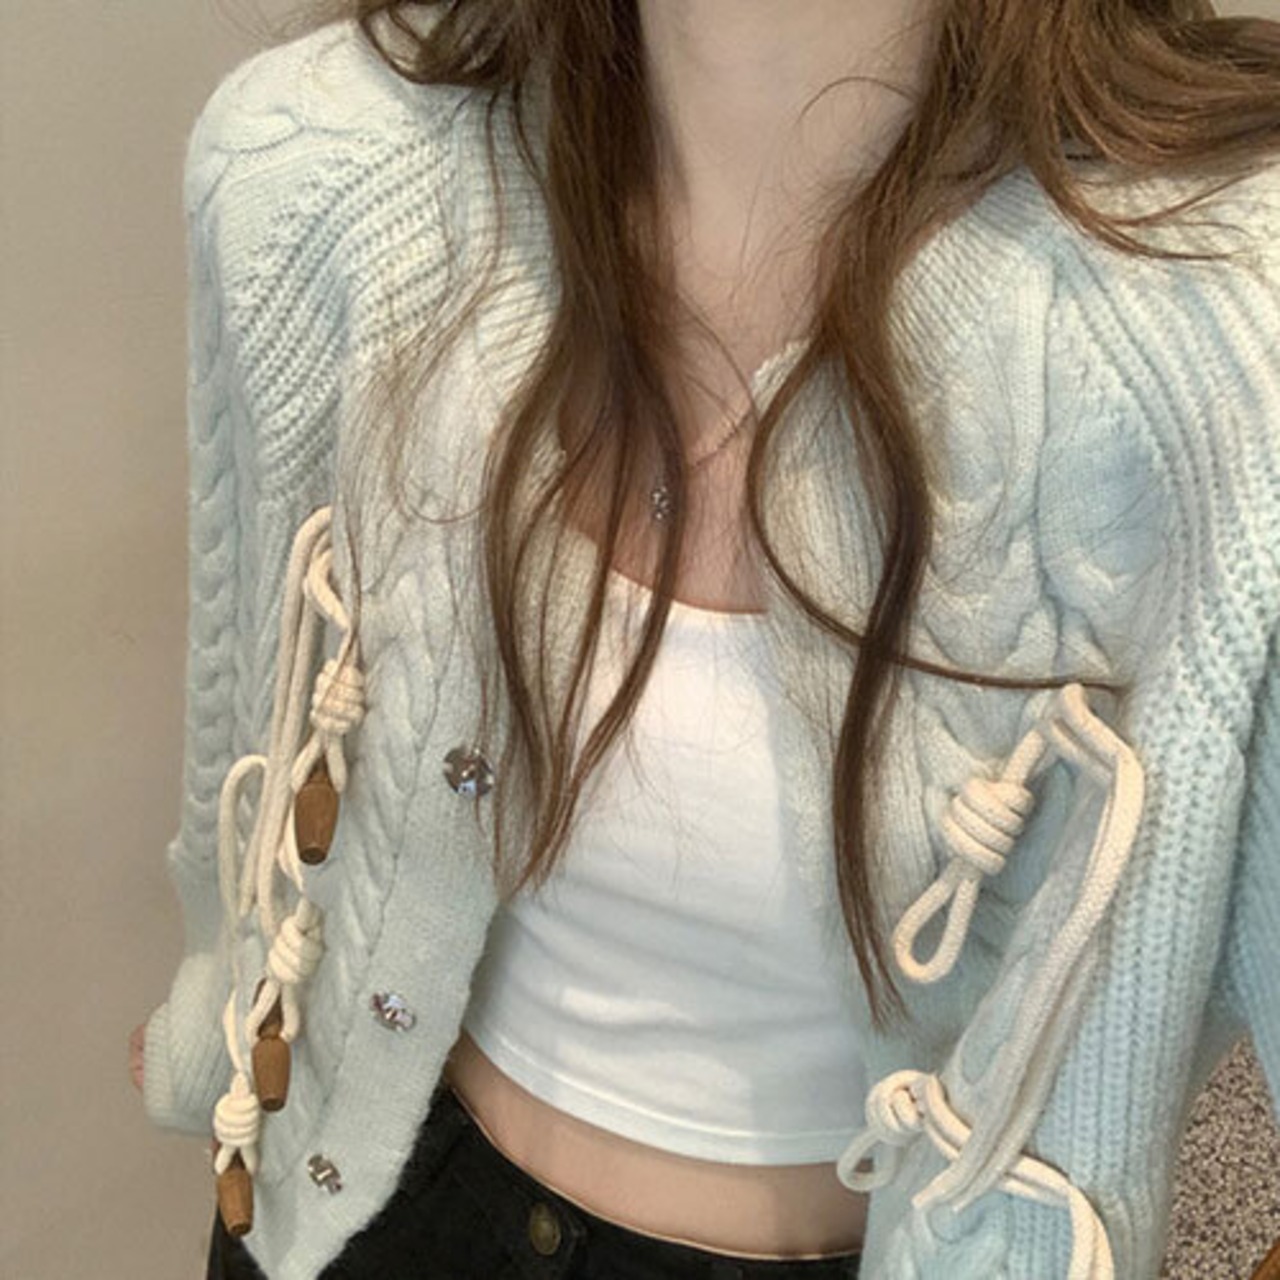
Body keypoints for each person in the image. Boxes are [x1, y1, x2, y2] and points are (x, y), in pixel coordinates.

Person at [132, 2, 1280, 1277]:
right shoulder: (308, 167)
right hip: (350, 1200)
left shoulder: (1231, 341)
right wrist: (213, 1006)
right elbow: (255, 727)